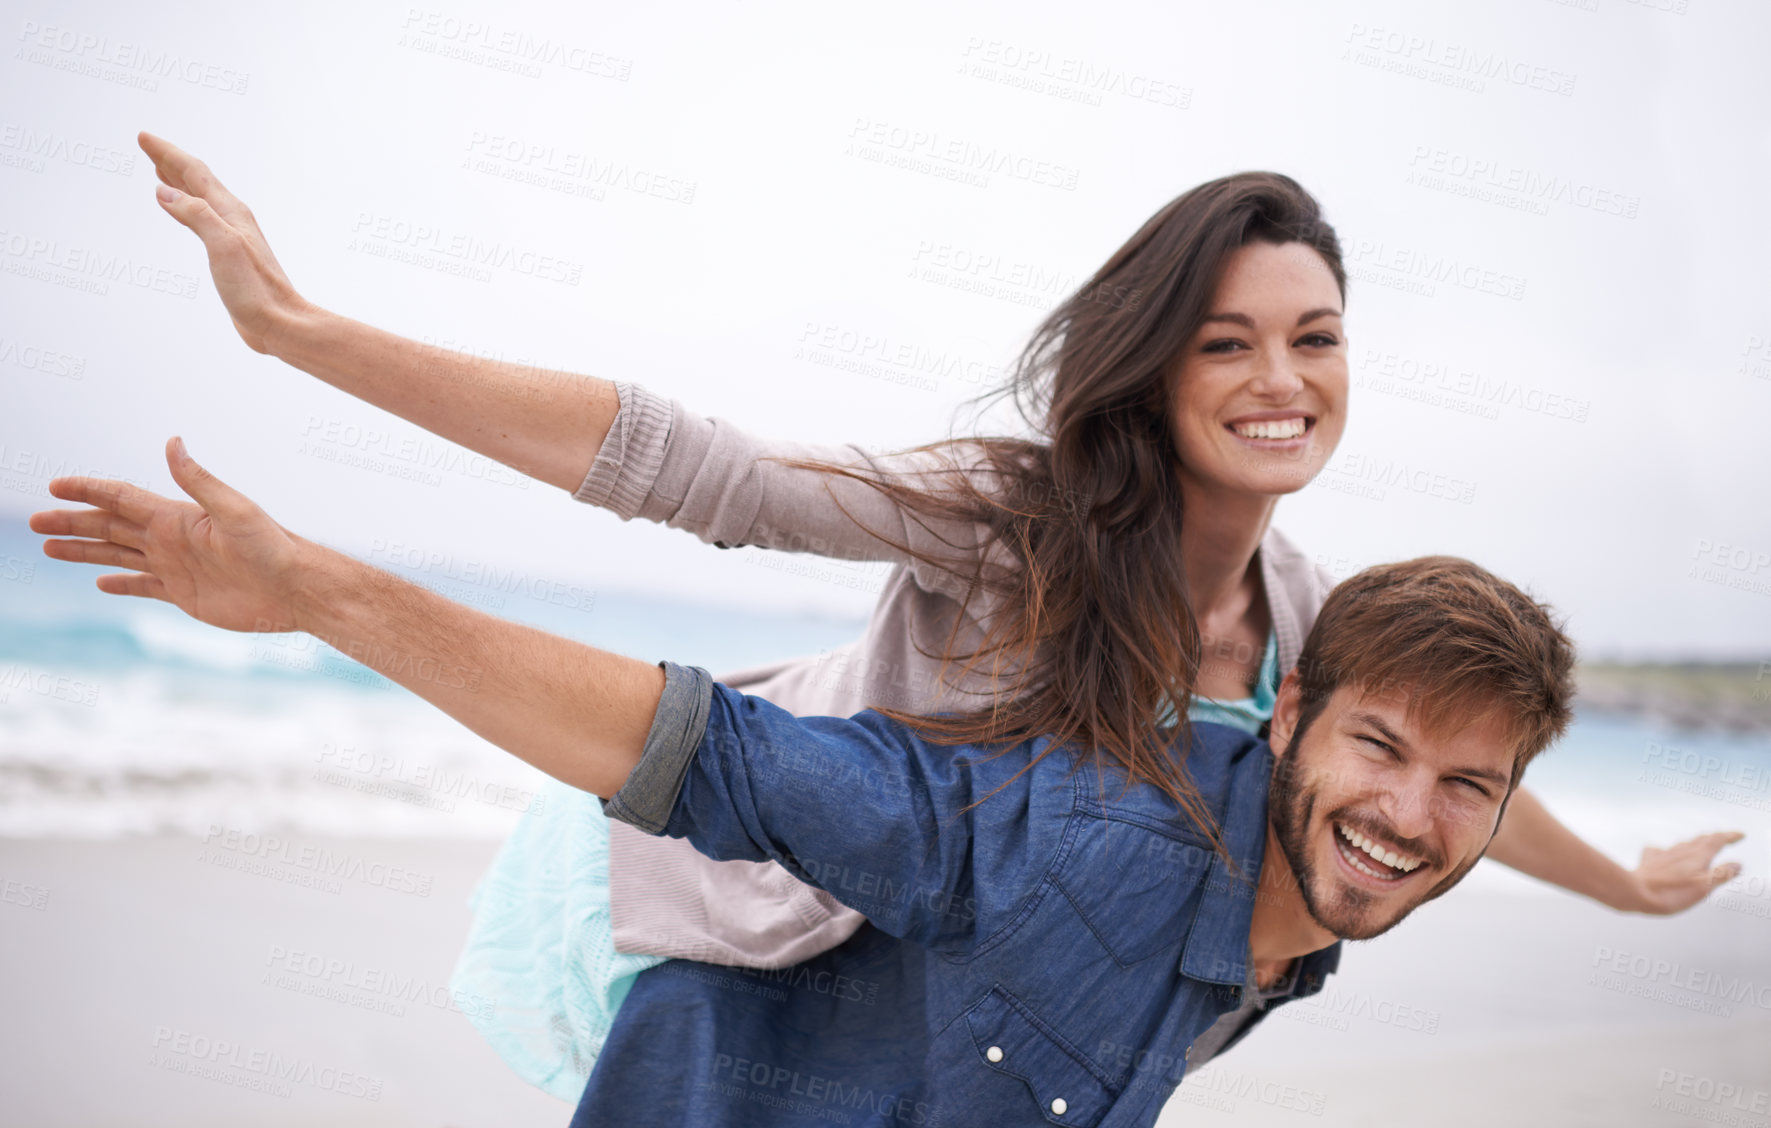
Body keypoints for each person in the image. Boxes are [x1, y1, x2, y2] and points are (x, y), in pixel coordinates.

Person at [131, 134, 1745, 1101]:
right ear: (1155, 361)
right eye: (1227, 341)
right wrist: (300, 334)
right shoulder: (1015, 517)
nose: (1280, 382)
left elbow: (1437, 776)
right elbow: (694, 466)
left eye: (1314, 339)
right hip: (770, 906)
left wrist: (1620, 888)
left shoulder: (1311, 615)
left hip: (990, 1015)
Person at [30, 450, 1576, 1126]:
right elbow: (707, 753)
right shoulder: (1086, 838)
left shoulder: (1299, 930)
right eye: (1379, 747)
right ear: (1294, 711)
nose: (1410, 814)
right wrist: (316, 591)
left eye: (1467, 785)